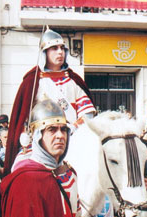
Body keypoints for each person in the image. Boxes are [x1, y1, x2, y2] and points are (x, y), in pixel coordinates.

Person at [5, 27, 96, 174]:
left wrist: (73, 128)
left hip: (72, 139)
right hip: (41, 141)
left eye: (62, 48)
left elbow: (88, 114)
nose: (60, 52)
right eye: (54, 48)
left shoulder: (73, 80)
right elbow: (24, 118)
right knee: (20, 169)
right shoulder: (33, 81)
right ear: (44, 53)